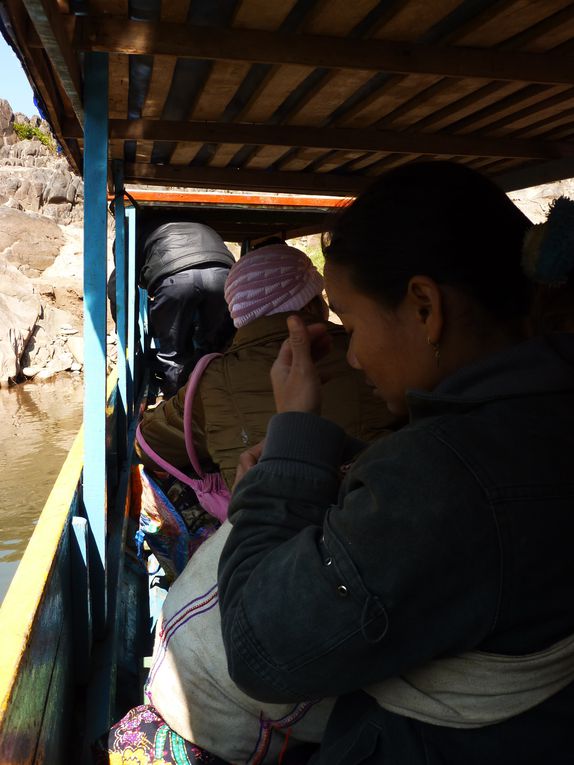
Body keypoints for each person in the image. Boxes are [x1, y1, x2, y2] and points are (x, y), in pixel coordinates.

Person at [217, 162, 574, 764]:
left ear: (424, 308)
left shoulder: (443, 473)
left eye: (351, 325)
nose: (352, 356)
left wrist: (289, 449)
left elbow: (259, 650)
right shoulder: (544, 414)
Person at [104, 244, 396, 764]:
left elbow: (151, 440)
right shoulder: (379, 364)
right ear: (312, 306)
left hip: (281, 570)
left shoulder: (212, 378)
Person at [136, 242, 396, 490]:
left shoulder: (213, 379)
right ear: (308, 303)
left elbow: (149, 445)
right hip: (372, 507)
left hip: (265, 520)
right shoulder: (366, 352)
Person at [138, 220, 236, 396]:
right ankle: (212, 394)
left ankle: (177, 405)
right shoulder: (204, 227)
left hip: (174, 278)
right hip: (222, 276)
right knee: (214, 344)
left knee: (173, 353)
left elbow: (119, 283)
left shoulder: (137, 229)